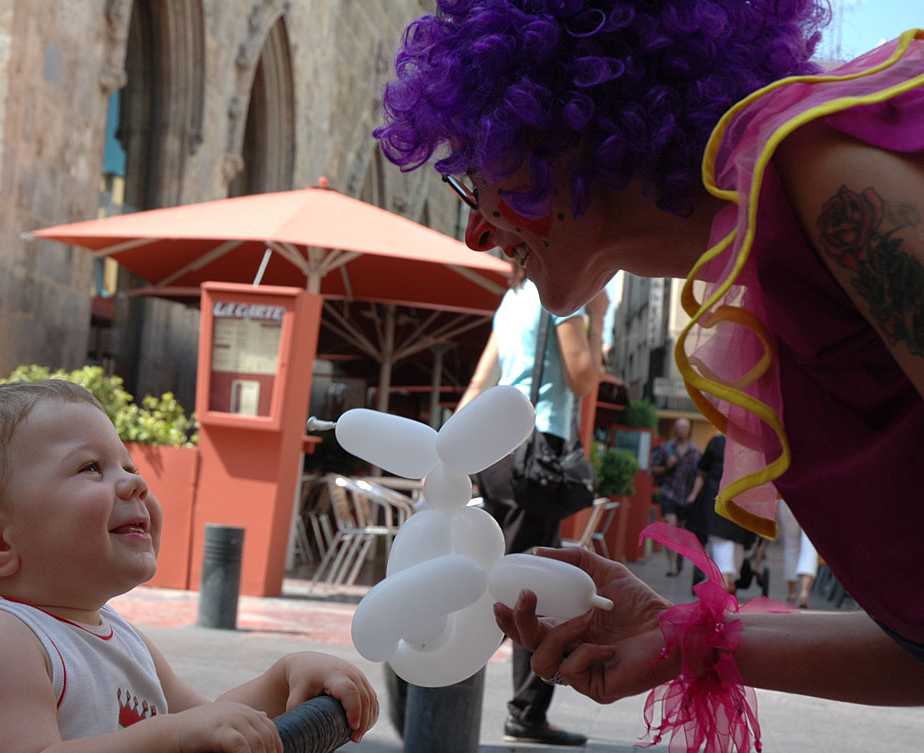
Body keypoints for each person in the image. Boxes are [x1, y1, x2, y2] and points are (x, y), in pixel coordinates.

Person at [374, 0, 924, 722]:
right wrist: (675, 636)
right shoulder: (771, 256)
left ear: (564, 125)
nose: (478, 230)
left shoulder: (823, 177)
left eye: (477, 173)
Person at [0, 380, 378, 753]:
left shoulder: (120, 637)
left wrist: (280, 681)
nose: (135, 485)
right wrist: (170, 738)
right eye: (90, 468)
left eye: (128, 467)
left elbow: (210, 720)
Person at [455, 263, 606, 746]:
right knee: (525, 592)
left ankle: (510, 703)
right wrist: (599, 318)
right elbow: (582, 377)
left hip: (493, 453)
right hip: (537, 460)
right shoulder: (564, 297)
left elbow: (480, 383)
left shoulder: (512, 300)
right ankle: (503, 702)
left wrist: (448, 451)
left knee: (502, 575)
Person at [686, 433, 757, 595]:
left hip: (716, 495)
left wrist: (694, 495)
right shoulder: (751, 446)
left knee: (720, 540)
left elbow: (702, 471)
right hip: (740, 497)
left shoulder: (717, 442)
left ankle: (724, 579)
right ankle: (729, 579)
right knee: (736, 541)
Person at [648, 418, 701, 578]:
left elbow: (700, 475)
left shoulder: (695, 451)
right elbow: (653, 469)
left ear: (689, 429)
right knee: (670, 528)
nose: (681, 431)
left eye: (684, 428)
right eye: (678, 428)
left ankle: (679, 560)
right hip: (669, 493)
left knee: (682, 533)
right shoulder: (666, 448)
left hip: (686, 496)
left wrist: (694, 495)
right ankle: (671, 564)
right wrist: (666, 467)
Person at [778, 499, 818, 608]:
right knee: (810, 546)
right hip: (813, 499)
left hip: (787, 499)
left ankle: (792, 593)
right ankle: (804, 592)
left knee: (791, 547)